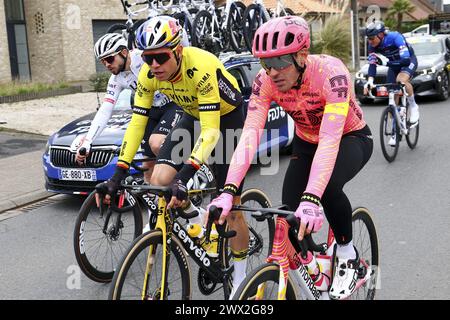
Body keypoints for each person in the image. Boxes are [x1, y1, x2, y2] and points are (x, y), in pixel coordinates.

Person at [207, 16, 373, 300]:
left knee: (327, 188)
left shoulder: (330, 73)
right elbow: (249, 137)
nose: (273, 71)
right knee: (288, 213)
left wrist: (312, 198)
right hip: (307, 142)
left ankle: (347, 253)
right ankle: (313, 266)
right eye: (265, 63)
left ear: (301, 55)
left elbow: (330, 139)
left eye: (281, 61)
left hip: (349, 138)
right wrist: (227, 191)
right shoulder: (266, 81)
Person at [98, 16, 250, 296]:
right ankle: (197, 218)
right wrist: (118, 173)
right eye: (147, 57)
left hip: (227, 121)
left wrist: (185, 175)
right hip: (192, 116)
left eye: (160, 57)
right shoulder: (148, 75)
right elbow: (137, 124)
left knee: (233, 209)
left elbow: (212, 131)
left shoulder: (201, 67)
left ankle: (240, 277)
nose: (153, 65)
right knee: (160, 180)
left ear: (178, 52)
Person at [75, 32, 183, 184]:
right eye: (102, 62)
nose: (107, 65)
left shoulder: (144, 57)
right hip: (150, 110)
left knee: (157, 143)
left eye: (109, 59)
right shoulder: (116, 79)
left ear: (124, 52)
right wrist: (88, 141)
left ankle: (183, 179)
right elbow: (106, 109)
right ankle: (156, 204)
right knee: (147, 166)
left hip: (172, 104)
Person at [364, 20, 419, 146]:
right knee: (392, 94)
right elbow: (372, 64)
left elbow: (405, 61)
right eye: (368, 38)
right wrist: (370, 81)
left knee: (401, 80)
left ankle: (414, 106)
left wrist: (386, 63)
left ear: (381, 35)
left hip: (408, 61)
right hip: (393, 66)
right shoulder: (372, 45)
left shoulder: (395, 37)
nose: (370, 41)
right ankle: (395, 132)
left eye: (372, 38)